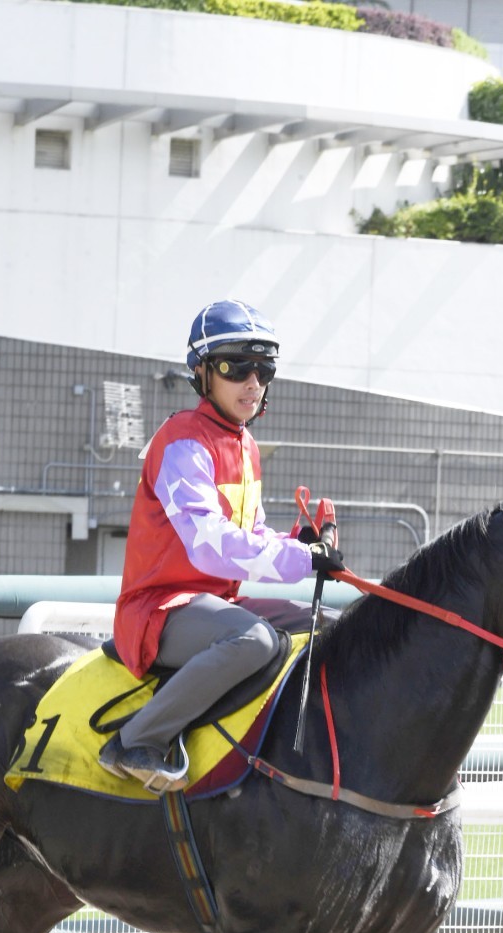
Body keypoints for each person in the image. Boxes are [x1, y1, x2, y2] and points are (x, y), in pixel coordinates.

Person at [99, 298, 343, 794]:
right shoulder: (182, 441)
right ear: (203, 373)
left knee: (337, 627)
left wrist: (301, 541)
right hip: (158, 612)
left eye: (264, 368)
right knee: (254, 640)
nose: (253, 382)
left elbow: (250, 535)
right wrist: (300, 558)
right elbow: (209, 545)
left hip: (219, 605)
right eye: (237, 367)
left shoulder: (245, 445)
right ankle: (136, 739)